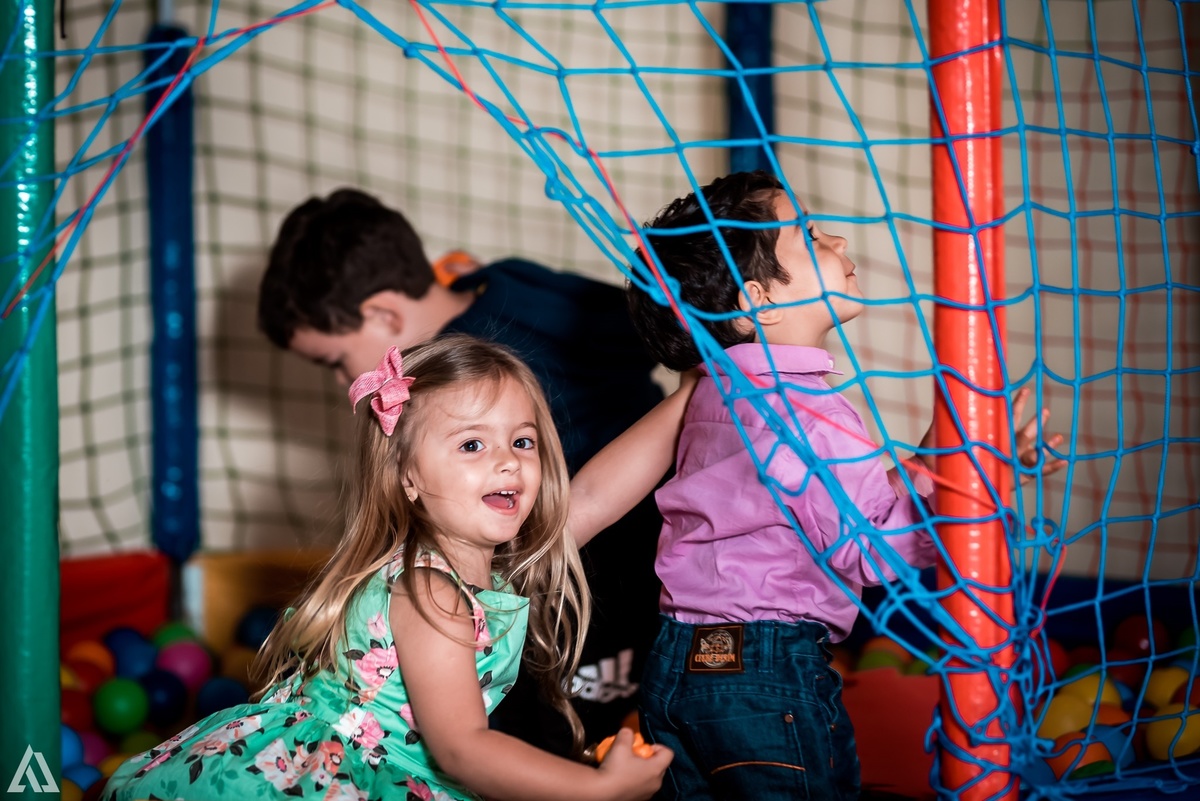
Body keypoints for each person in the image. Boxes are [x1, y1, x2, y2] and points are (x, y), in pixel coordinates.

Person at [624, 171, 1067, 801]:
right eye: (806, 233)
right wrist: (977, 483)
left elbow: (832, 509)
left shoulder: (721, 394)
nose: (833, 236)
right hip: (769, 669)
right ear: (759, 300)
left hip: (680, 665)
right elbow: (871, 549)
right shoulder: (813, 411)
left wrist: (939, 459)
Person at [104, 335, 690, 801]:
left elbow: (592, 498)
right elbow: (463, 749)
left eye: (522, 441)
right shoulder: (430, 591)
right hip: (333, 776)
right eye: (471, 446)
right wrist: (594, 788)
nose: (507, 463)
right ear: (407, 477)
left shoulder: (495, 572)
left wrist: (692, 394)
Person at [257, 188, 665, 753]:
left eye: (334, 360)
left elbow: (580, 500)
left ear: (384, 313)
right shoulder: (509, 284)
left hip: (578, 555)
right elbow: (631, 320)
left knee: (545, 714)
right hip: (644, 530)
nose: (339, 380)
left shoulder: (462, 380)